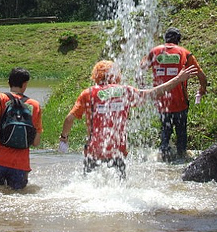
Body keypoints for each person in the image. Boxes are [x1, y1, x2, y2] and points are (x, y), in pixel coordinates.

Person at [59, 60, 197, 178]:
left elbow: (69, 118)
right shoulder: (126, 91)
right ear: (117, 75)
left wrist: (64, 138)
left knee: (90, 190)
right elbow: (153, 94)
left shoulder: (88, 93)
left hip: (94, 151)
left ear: (95, 75)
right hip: (118, 151)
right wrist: (177, 79)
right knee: (120, 191)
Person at [139, 27, 207, 162]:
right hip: (180, 101)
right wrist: (202, 88)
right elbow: (200, 74)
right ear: (178, 40)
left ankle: (163, 154)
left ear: (166, 39)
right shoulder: (185, 53)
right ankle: (182, 154)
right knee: (181, 130)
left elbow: (140, 71)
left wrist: (142, 87)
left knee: (165, 129)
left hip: (162, 101)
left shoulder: (154, 52)